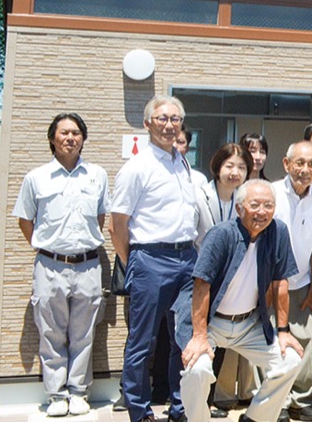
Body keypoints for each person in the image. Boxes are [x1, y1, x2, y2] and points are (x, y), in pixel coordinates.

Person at [176, 181, 303, 422]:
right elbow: (201, 284)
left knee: (290, 360)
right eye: (254, 205)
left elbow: (280, 283)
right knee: (198, 370)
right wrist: (200, 335)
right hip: (209, 324)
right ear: (239, 209)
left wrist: (284, 331)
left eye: (269, 205)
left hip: (248, 324)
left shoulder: (278, 232)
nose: (262, 211)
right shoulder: (222, 234)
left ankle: (255, 418)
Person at [110, 95, 200, 422]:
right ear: (148, 123)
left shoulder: (183, 162)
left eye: (175, 118)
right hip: (150, 258)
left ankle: (180, 408)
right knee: (142, 341)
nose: (168, 124)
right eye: (161, 118)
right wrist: (134, 261)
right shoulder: (136, 167)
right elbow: (117, 224)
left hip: (187, 259)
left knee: (183, 339)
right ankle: (139, 410)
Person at [13, 113, 108, 417]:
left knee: (84, 332)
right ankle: (57, 394)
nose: (70, 138)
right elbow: (24, 219)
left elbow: (101, 217)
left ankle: (79, 392)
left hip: (89, 265)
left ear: (83, 138)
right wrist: (44, 247)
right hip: (49, 265)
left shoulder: (97, 175)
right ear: (52, 138)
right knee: (51, 331)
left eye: (76, 133)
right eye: (64, 133)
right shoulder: (36, 177)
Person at [272, 141, 312, 419]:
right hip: (271, 284)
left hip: (303, 283)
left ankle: (302, 401)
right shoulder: (271, 193)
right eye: (300, 163)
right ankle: (277, 403)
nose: (305, 170)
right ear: (287, 164)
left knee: (308, 341)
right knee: (273, 342)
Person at [193, 144, 254, 417]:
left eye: (241, 167)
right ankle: (193, 404)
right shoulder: (200, 196)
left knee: (218, 348)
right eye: (229, 166)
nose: (235, 172)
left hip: (231, 281)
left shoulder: (247, 200)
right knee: (198, 342)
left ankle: (210, 399)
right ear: (217, 167)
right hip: (202, 277)